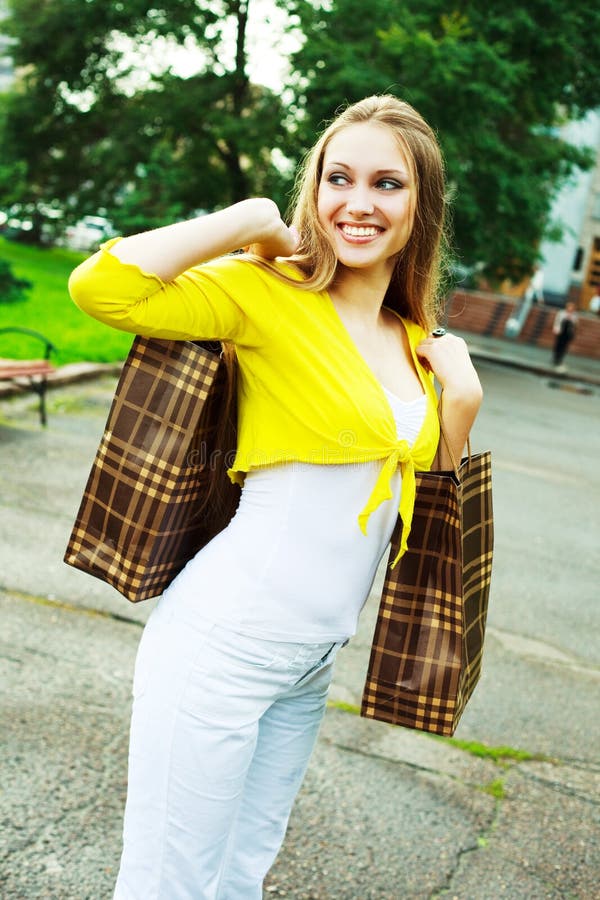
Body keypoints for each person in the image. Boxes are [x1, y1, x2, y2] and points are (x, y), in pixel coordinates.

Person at [68, 94, 483, 899]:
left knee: (239, 879)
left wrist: (459, 408)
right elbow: (103, 289)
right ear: (315, 189)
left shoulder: (416, 342)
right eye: (339, 178)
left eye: (387, 184)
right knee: (169, 885)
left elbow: (422, 506)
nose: (357, 203)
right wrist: (253, 217)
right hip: (224, 642)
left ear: (420, 206)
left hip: (312, 659)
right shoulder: (267, 293)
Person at [552, 301, 579, 370]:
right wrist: (555, 329)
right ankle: (555, 357)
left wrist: (572, 320)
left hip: (568, 333)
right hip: (561, 331)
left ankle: (560, 359)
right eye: (569, 307)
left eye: (572, 308)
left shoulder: (575, 315)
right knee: (558, 345)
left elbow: (576, 325)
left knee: (564, 346)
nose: (570, 309)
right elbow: (557, 321)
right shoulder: (561, 313)